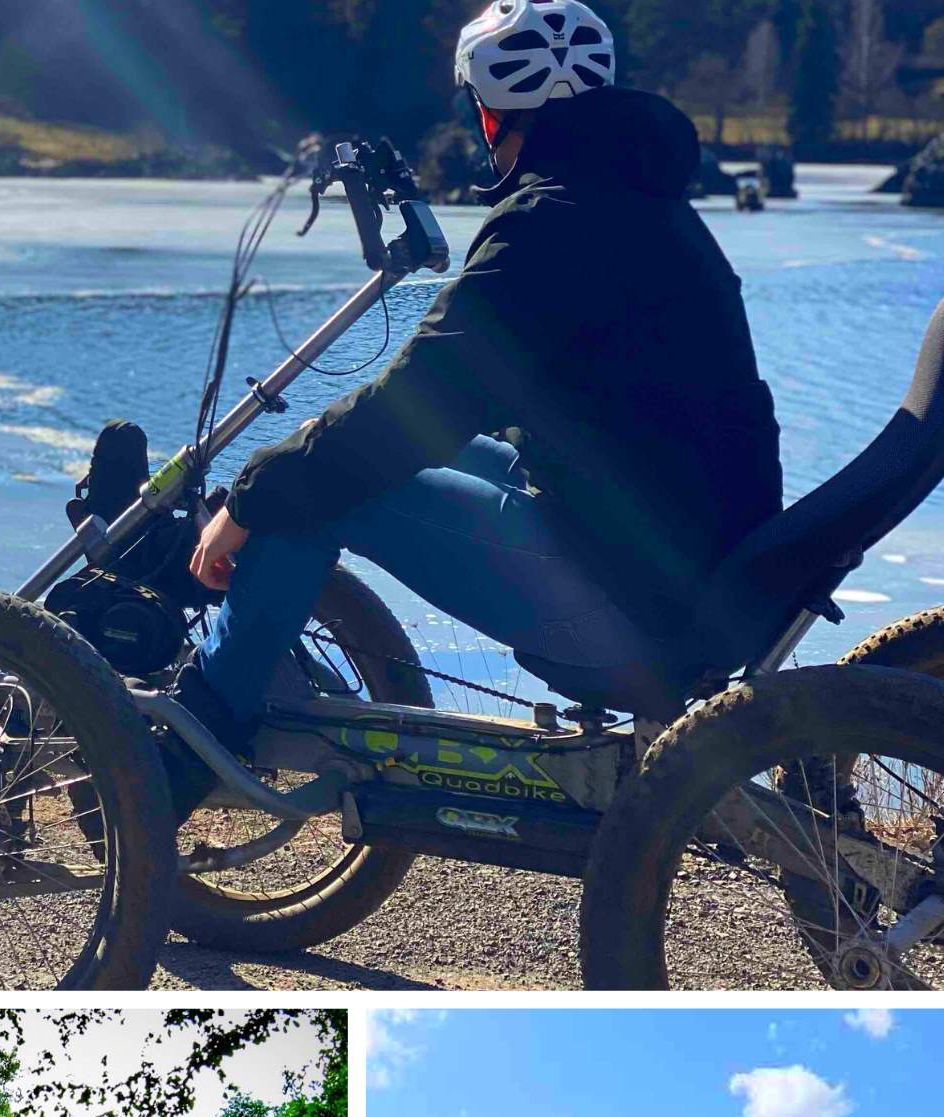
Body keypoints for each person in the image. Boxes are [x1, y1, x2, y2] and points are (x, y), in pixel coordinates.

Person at [169, 0, 783, 817]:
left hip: (633, 614)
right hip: (697, 575)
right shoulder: (643, 199)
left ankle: (193, 742)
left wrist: (250, 496)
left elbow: (407, 412)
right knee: (375, 460)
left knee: (306, 495)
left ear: (490, 114)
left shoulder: (547, 221)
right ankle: (222, 688)